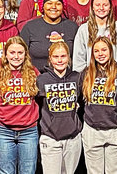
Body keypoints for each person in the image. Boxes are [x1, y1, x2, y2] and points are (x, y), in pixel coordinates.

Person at [81, 37, 117, 174]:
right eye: (96, 51)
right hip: (92, 131)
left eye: (104, 50)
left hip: (115, 131)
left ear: (110, 51)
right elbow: (79, 103)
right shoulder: (86, 74)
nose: (100, 54)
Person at [0, 36, 41, 174]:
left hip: (29, 131)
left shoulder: (33, 72)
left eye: (20, 53)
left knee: (28, 171)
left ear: (25, 54)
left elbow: (38, 99)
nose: (16, 56)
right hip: (4, 131)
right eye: (12, 53)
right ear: (6, 54)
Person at [36, 42, 83, 174]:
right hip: (50, 138)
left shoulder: (77, 78)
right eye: (56, 56)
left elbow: (81, 102)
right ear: (50, 58)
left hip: (73, 138)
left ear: (68, 57)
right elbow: (38, 105)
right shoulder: (42, 80)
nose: (60, 60)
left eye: (63, 56)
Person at [20, 0, 79, 71]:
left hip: (66, 78)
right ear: (42, 6)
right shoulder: (30, 27)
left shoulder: (72, 27)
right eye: (49, 3)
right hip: (36, 77)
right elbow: (21, 54)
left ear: (63, 7)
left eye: (58, 4)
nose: (54, 7)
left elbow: (79, 57)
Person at [73, 0, 117, 72]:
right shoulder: (83, 29)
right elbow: (78, 60)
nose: (101, 8)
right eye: (97, 5)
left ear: (110, 7)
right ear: (92, 7)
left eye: (105, 5)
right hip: (91, 77)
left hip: (115, 76)